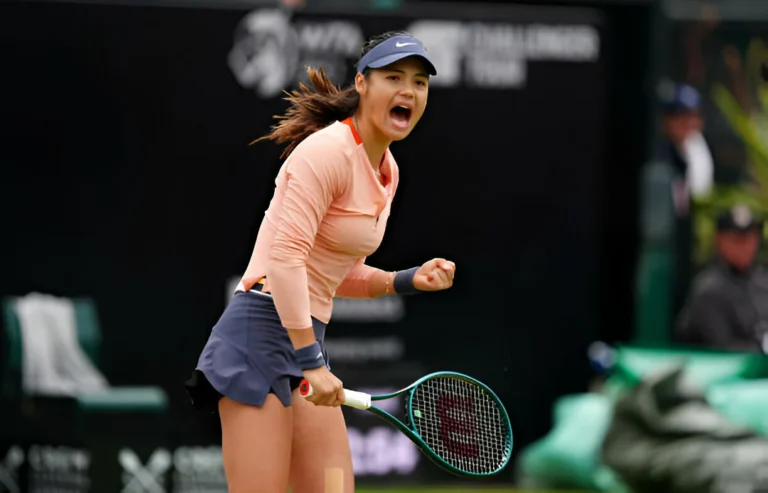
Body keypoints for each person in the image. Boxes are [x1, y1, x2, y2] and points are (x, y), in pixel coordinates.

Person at [184, 31, 456, 493]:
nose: (409, 91)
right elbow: (285, 260)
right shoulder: (326, 152)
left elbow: (336, 273)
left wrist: (406, 280)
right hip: (258, 339)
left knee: (332, 488)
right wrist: (312, 363)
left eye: (420, 82)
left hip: (305, 341)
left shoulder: (386, 170)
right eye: (394, 77)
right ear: (363, 84)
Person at [675, 204, 767, 352]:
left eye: (750, 238)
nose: (746, 246)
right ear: (720, 240)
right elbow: (723, 349)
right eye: (737, 239)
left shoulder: (763, 283)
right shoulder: (708, 290)